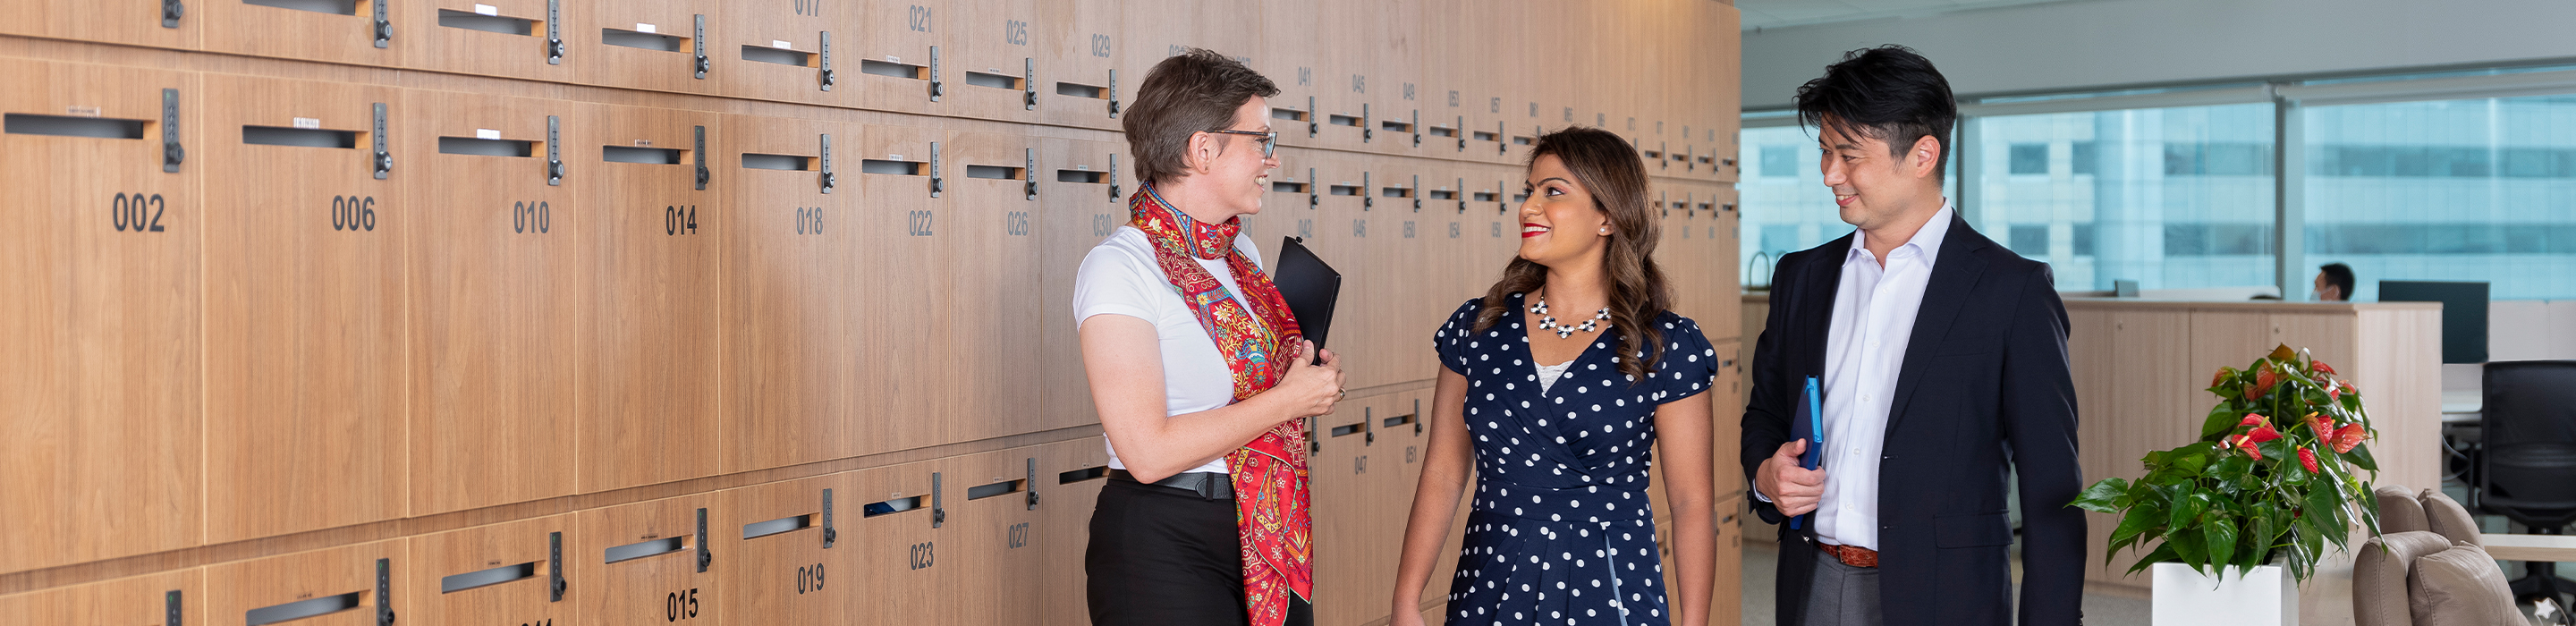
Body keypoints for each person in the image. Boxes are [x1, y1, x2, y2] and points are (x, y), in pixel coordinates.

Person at [1741, 46, 2085, 626]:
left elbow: (2054, 490)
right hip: (1812, 582)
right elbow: (1765, 412)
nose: (1830, 175)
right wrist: (1764, 473)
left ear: (1923, 154)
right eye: (1825, 154)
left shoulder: (2012, 291)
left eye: (1849, 155)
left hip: (1946, 597)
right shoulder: (1802, 276)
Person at [1389, 127, 1723, 626]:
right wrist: (1406, 601)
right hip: (1491, 582)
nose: (1528, 207)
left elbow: (1693, 503)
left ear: (1607, 216)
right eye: (1529, 191)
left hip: (1611, 587)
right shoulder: (1478, 327)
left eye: (1553, 191)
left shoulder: (1665, 344)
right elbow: (1442, 472)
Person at [1075, 47, 1343, 626]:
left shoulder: (1237, 252)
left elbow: (1253, 387)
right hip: (1163, 541)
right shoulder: (1119, 268)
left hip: (1262, 527)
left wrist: (1303, 375)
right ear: (1202, 149)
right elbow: (1146, 453)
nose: (1271, 160)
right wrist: (1288, 401)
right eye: (1260, 141)